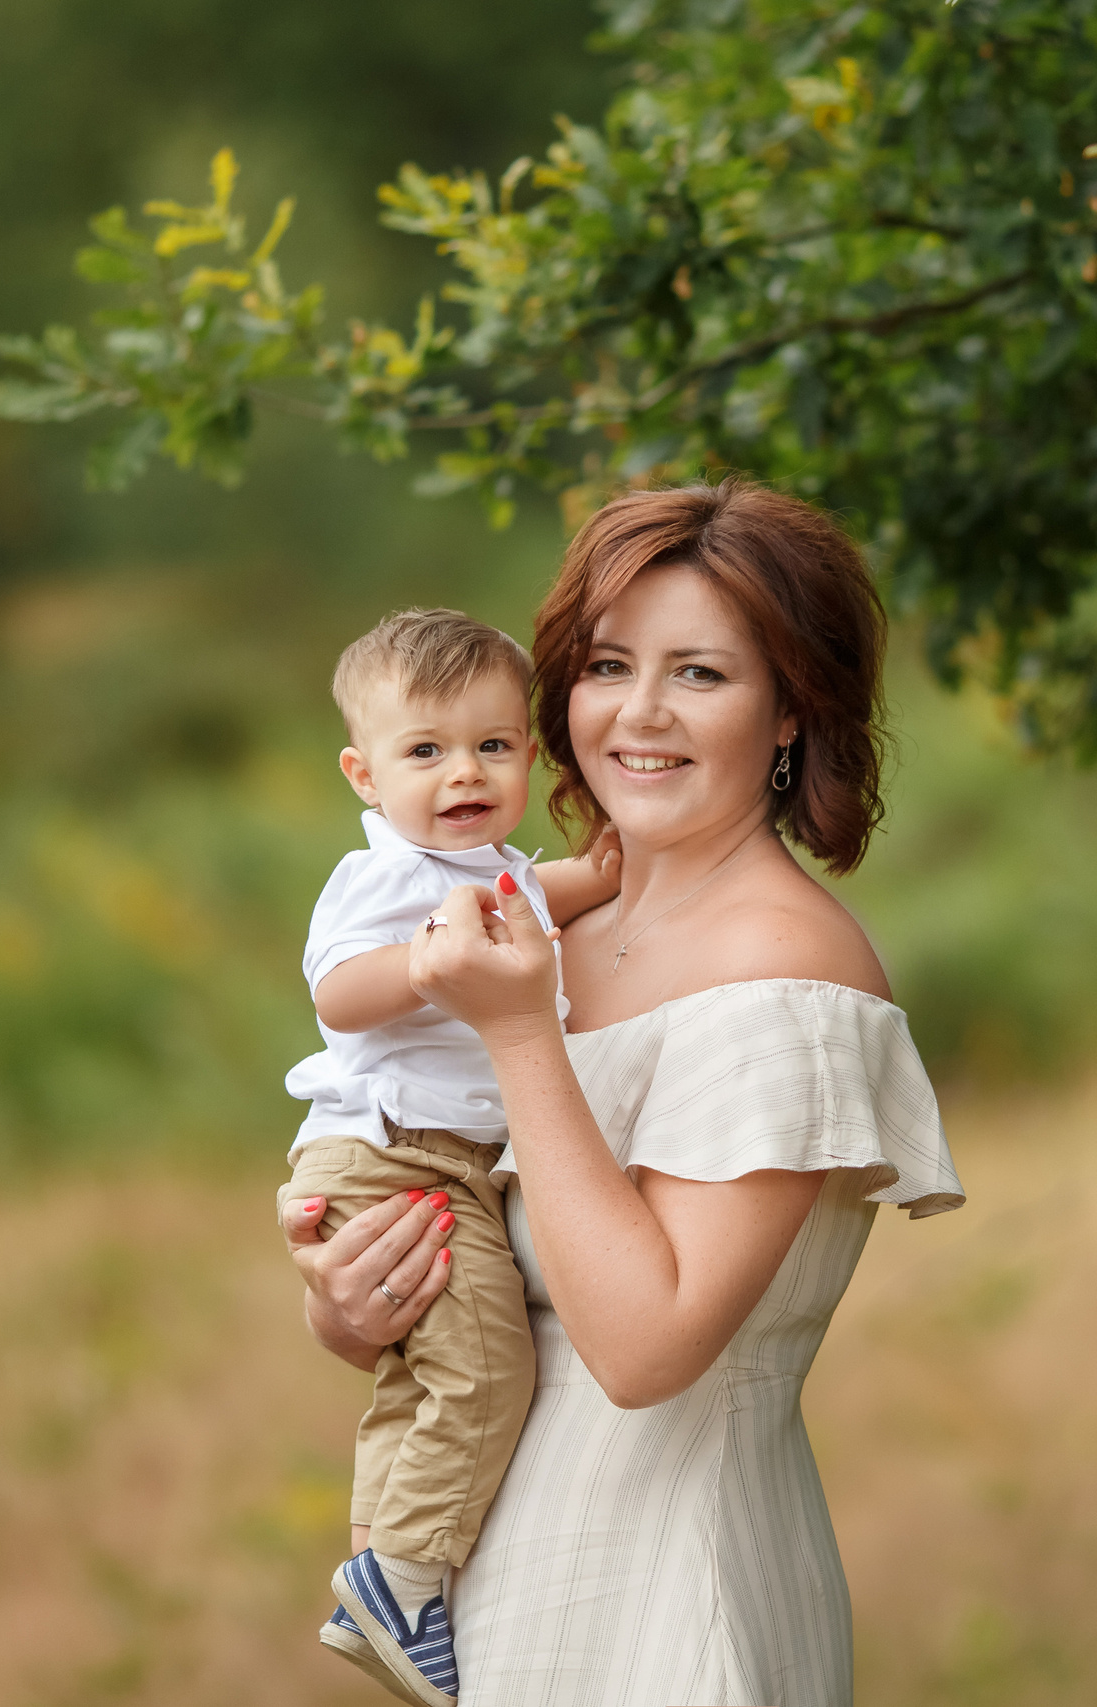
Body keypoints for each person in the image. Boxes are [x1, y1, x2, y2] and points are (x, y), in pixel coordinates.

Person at [282, 482, 965, 1707]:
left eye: (700, 674)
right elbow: (531, 1301)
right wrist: (358, 1307)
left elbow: (646, 1348)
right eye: (607, 665)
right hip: (509, 1591)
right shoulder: (555, 938)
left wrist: (518, 1042)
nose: (638, 715)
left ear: (792, 711)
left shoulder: (787, 974)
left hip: (671, 1598)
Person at [280, 609, 623, 1705]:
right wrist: (430, 964)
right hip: (393, 1162)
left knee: (420, 1374)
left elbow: (533, 898)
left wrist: (603, 870)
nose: (461, 772)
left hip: (437, 1163)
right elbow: (336, 993)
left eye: (491, 745)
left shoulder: (494, 872)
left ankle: (381, 1565)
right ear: (364, 775)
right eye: (424, 751)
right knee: (485, 1366)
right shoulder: (382, 878)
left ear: (526, 751)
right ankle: (406, 1583)